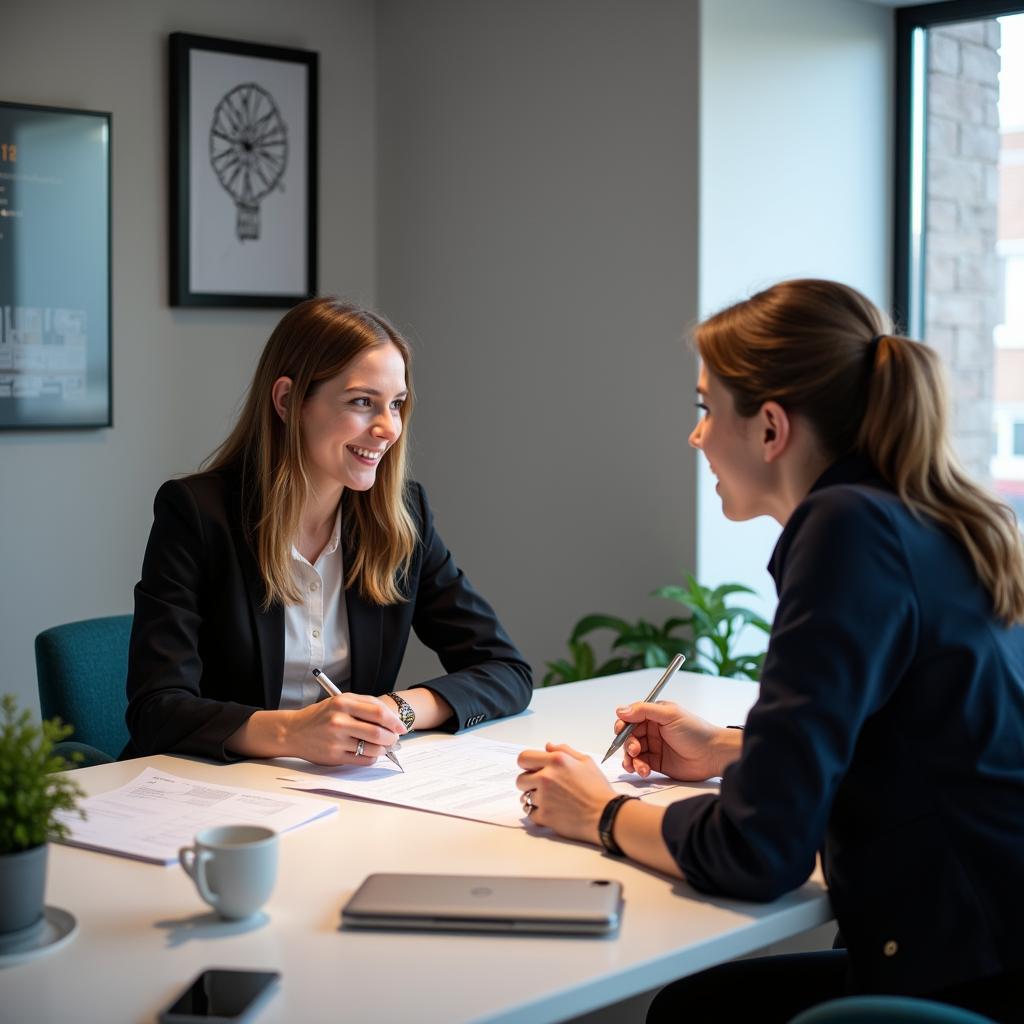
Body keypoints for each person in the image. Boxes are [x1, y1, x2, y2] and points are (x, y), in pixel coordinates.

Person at [514, 279, 1024, 1022]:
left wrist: (598, 810)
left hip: (968, 973)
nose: (695, 437)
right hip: (987, 940)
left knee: (694, 1014)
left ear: (770, 428)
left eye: (704, 409)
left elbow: (758, 852)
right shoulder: (918, 510)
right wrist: (727, 749)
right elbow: (912, 731)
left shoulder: (846, 529)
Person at [125, 298, 532, 764]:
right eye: (362, 402)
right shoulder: (198, 514)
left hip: (337, 796)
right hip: (213, 795)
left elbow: (506, 670)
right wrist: (293, 733)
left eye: (396, 405)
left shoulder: (402, 518)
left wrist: (393, 710)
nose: (387, 429)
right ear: (287, 402)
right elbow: (156, 710)